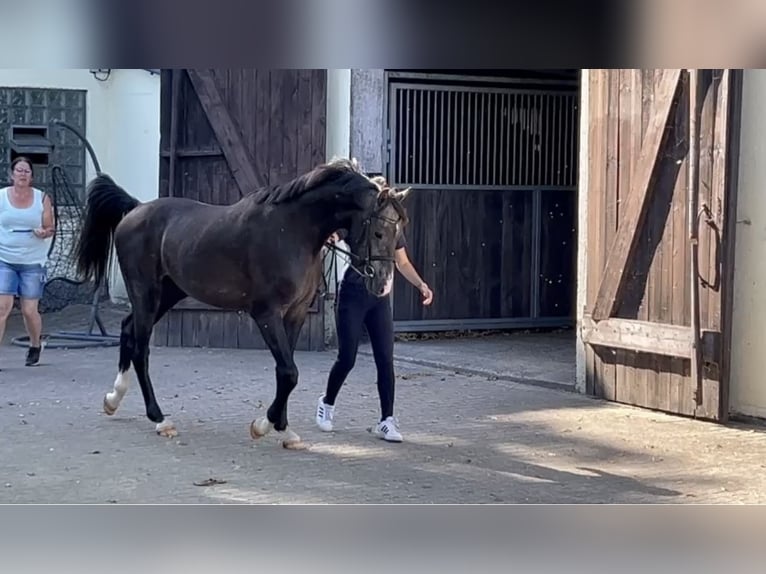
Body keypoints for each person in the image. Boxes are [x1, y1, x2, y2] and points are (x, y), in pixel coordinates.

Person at [315, 228, 433, 442]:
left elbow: (402, 262)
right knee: (347, 358)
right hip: (352, 295)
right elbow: (336, 232)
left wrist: (420, 284)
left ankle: (386, 420)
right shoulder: (359, 219)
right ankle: (327, 403)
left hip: (380, 300)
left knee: (385, 360)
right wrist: (330, 235)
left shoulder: (394, 227)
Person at [0, 157, 55, 367]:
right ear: (12, 174)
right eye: (19, 170)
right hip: (4, 259)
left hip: (33, 261)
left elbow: (50, 227)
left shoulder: (42, 198)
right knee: (2, 308)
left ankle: (35, 344)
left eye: (27, 171)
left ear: (31, 176)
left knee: (29, 310)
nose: (22, 174)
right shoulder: (2, 197)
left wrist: (44, 232)